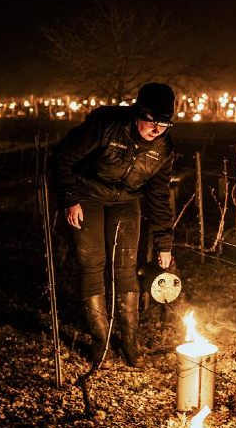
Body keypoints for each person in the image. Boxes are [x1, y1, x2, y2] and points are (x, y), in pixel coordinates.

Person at [51, 82, 177, 367]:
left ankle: (130, 341)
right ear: (137, 113)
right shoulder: (106, 126)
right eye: (151, 120)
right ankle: (101, 341)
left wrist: (164, 243)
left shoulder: (164, 149)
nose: (156, 129)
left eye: (164, 123)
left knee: (125, 267)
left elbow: (158, 196)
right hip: (87, 195)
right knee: (92, 262)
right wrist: (70, 199)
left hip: (126, 201)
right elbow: (64, 157)